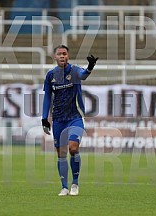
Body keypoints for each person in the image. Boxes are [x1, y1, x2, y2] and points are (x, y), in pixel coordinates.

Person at [41, 45, 98, 196]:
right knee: (61, 153)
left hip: (75, 117)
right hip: (58, 119)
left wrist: (90, 67)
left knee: (73, 148)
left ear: (68, 56)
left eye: (64, 54)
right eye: (59, 54)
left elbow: (84, 75)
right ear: (55, 57)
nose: (62, 56)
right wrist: (44, 118)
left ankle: (75, 184)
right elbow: (47, 97)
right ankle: (64, 187)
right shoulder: (50, 75)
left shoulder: (74, 71)